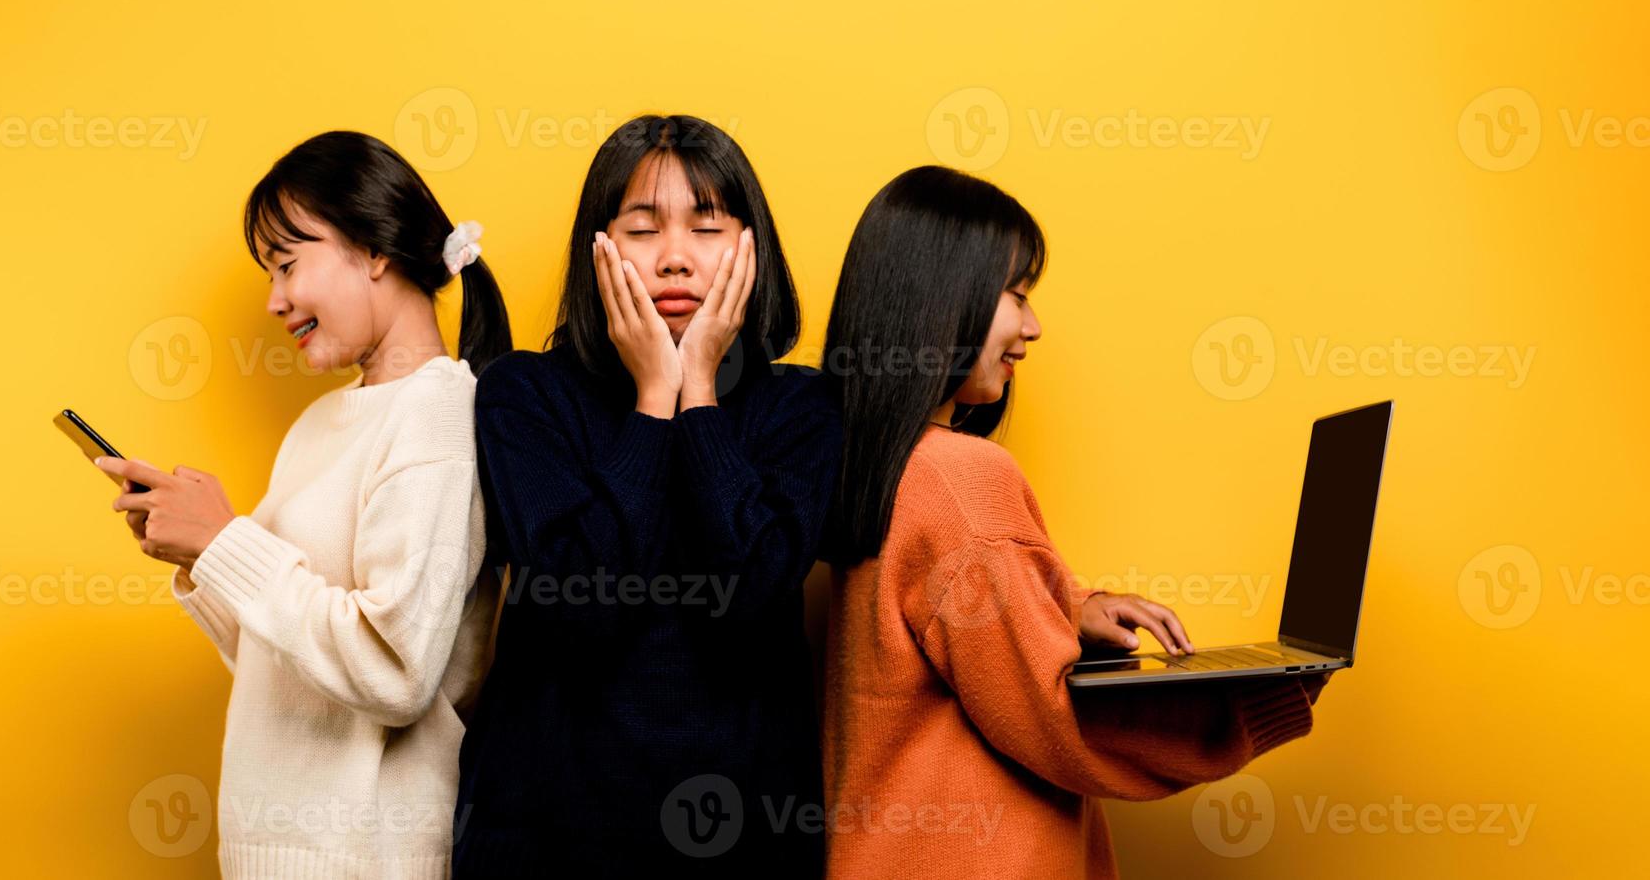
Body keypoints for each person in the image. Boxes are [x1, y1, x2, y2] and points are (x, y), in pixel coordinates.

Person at [820, 165, 1327, 880]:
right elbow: (1060, 724)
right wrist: (1266, 699)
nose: (1032, 327)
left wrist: (1066, 607)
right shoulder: (963, 478)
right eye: (1016, 296)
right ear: (943, 296)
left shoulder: (871, 468)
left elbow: (951, 653)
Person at [99, 130, 509, 878]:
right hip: (279, 854)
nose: (274, 299)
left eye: (288, 264)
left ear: (376, 249)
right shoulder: (322, 421)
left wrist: (229, 543)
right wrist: (205, 557)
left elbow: (394, 674)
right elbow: (286, 661)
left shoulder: (436, 419)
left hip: (367, 858)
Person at [453, 115, 838, 877]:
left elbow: (752, 591)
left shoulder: (804, 407)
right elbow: (579, 606)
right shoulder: (523, 395)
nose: (673, 259)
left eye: (707, 226)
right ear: (597, 250)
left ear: (750, 247)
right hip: (544, 837)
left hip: (745, 838)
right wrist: (653, 398)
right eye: (641, 228)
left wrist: (699, 395)